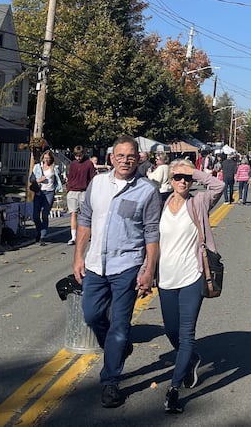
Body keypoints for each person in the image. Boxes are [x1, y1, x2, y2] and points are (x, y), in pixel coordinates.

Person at [74, 136, 160, 409]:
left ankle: (110, 381)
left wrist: (148, 270)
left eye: (130, 156)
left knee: (120, 327)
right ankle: (119, 348)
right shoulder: (97, 184)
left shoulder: (148, 191)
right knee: (91, 315)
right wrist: (78, 256)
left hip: (127, 266)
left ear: (139, 158)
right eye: (120, 156)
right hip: (96, 265)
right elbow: (85, 219)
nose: (125, 161)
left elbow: (152, 234)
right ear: (112, 158)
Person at [157, 158, 224, 413]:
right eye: (178, 177)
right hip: (165, 278)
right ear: (171, 179)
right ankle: (192, 359)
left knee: (186, 335)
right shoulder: (161, 204)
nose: (183, 182)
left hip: (192, 276)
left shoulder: (198, 202)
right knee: (170, 331)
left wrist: (194, 171)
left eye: (187, 178)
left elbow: (218, 186)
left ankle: (173, 389)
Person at [65, 146, 97, 246]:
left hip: (84, 191)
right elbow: (70, 177)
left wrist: (91, 191)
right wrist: (69, 189)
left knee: (85, 215)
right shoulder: (73, 164)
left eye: (80, 155)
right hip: (73, 191)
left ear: (83, 154)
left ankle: (87, 234)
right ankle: (73, 236)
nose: (78, 158)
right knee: (73, 213)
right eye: (76, 156)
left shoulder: (88, 164)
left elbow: (92, 178)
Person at [30, 150, 63, 245]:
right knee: (35, 215)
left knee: (45, 214)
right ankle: (39, 231)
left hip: (49, 192)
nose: (46, 160)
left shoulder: (55, 168)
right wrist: (38, 180)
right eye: (45, 158)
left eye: (48, 158)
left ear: (51, 158)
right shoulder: (37, 167)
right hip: (39, 192)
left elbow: (58, 179)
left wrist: (57, 189)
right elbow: (31, 179)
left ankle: (43, 236)